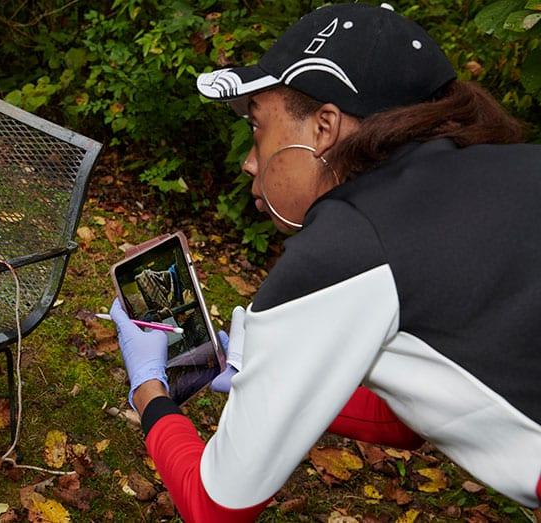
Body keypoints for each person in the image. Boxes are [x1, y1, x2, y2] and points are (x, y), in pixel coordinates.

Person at [109, 3, 541, 521]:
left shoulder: (350, 240)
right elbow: (415, 414)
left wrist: (150, 389)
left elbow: (216, 504)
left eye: (257, 127)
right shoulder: (492, 174)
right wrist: (261, 378)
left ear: (324, 127)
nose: (250, 159)